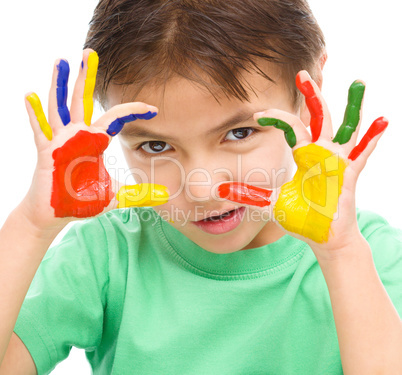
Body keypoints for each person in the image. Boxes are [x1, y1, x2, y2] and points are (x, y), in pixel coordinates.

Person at [0, 0, 401, 374]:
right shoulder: (106, 255)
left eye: (240, 132)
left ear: (308, 87)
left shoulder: (371, 255)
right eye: (156, 146)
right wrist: (32, 226)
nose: (202, 188)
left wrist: (341, 254)